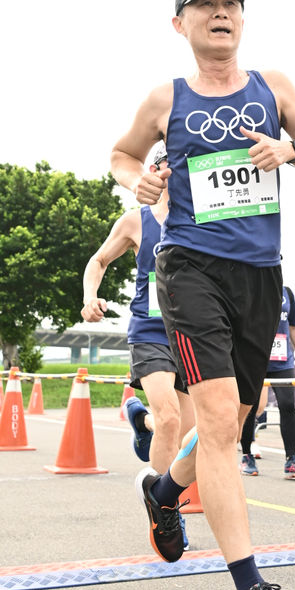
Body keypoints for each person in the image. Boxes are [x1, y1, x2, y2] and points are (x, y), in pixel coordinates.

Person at [110, 0, 295, 590]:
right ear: (180, 24)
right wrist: (138, 179)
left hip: (260, 276)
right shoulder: (166, 99)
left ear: (241, 20)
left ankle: (163, 492)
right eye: (205, 5)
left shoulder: (274, 88)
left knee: (234, 423)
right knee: (213, 422)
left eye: (230, 4)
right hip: (190, 270)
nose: (220, 13)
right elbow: (121, 155)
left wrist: (290, 151)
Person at [80, 167, 196, 489]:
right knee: (169, 418)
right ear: (157, 171)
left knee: (188, 434)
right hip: (150, 331)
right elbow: (99, 260)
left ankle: (143, 422)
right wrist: (90, 297)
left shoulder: (203, 220)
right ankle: (163, 505)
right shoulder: (136, 221)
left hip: (191, 333)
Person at [240, 284, 295, 479]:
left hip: (282, 362)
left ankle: (291, 460)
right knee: (250, 407)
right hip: (255, 360)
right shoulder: (251, 286)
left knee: (287, 405)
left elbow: (293, 326)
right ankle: (247, 456)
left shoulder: (287, 293)